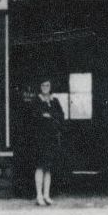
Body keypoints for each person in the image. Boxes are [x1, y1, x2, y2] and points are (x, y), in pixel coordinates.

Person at [30, 78, 64, 206]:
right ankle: (39, 195)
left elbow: (61, 115)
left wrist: (49, 115)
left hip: (52, 137)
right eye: (43, 85)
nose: (45, 87)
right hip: (40, 138)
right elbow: (35, 116)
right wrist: (45, 116)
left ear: (51, 86)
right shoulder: (36, 100)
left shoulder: (54, 100)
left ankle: (46, 195)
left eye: (48, 85)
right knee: (40, 166)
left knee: (48, 167)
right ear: (40, 86)